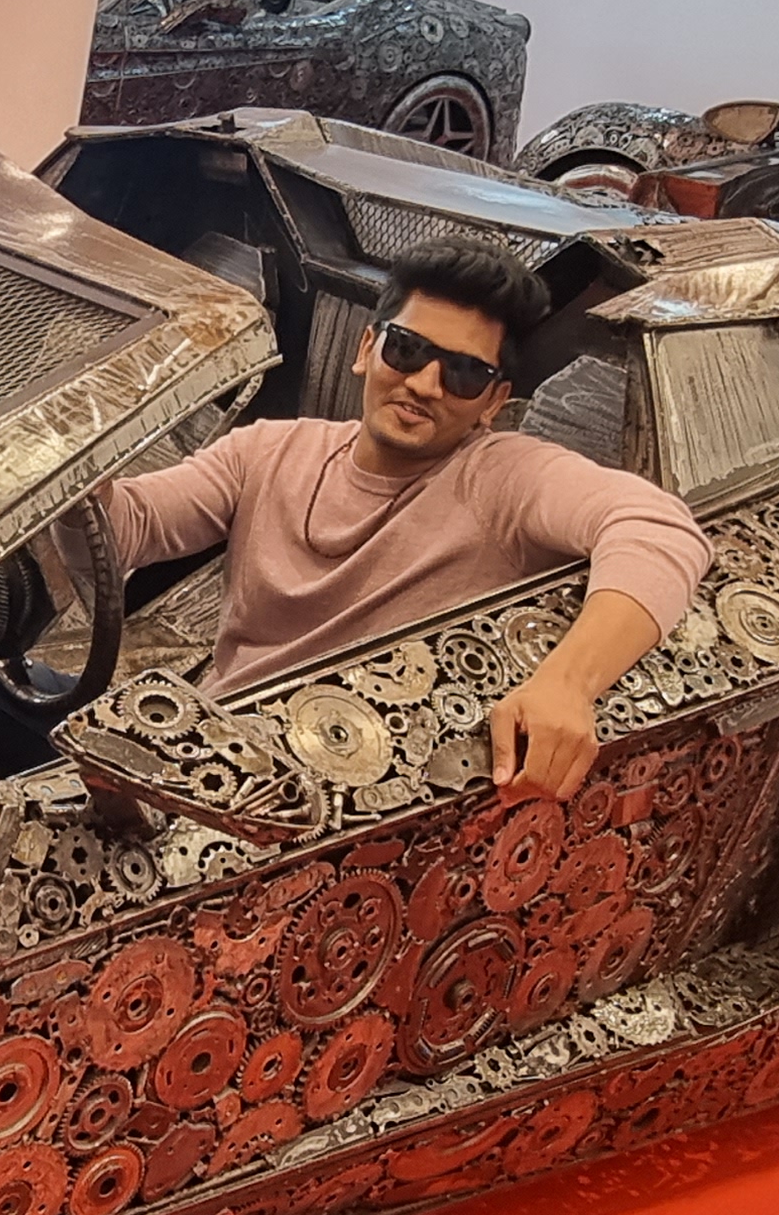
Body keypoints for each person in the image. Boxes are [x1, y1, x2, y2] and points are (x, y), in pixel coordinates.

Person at [103, 237, 712, 802]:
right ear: (366, 349)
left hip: (360, 801)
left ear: (494, 402)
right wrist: (76, 442)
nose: (424, 384)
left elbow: (658, 528)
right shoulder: (267, 451)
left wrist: (567, 684)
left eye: (464, 373)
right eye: (407, 349)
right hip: (210, 759)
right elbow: (127, 528)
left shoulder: (500, 477)